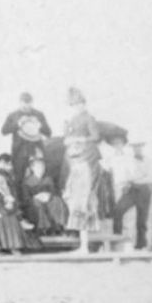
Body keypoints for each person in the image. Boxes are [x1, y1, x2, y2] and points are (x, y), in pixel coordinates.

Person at [60, 88, 102, 250]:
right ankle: (78, 237)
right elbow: (66, 137)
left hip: (86, 156)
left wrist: (80, 139)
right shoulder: (70, 119)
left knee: (83, 199)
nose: (77, 107)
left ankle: (85, 243)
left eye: (79, 104)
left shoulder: (89, 118)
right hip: (74, 159)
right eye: (74, 105)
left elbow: (96, 137)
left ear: (84, 104)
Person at [107, 138, 152, 249]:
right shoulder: (128, 159)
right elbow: (125, 175)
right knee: (117, 211)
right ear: (132, 148)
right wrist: (132, 180)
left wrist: (136, 178)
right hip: (131, 189)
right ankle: (117, 241)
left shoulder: (149, 161)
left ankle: (141, 244)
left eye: (139, 146)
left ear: (142, 147)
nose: (136, 149)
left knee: (141, 220)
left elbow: (150, 178)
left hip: (143, 190)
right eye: (134, 146)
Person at [0, 91, 52, 178]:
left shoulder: (39, 114)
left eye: (28, 103)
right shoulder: (13, 115)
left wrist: (40, 126)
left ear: (32, 103)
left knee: (39, 177)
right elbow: (4, 131)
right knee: (19, 178)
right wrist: (17, 124)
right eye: (23, 103)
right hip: (19, 152)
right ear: (19, 102)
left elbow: (49, 133)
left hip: (36, 151)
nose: (26, 106)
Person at [20, 155, 68, 235]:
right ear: (33, 168)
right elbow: (26, 198)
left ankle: (58, 226)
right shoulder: (27, 182)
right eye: (38, 167)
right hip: (34, 204)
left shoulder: (48, 179)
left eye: (43, 167)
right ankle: (43, 228)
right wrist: (36, 197)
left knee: (57, 200)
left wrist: (49, 195)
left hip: (48, 200)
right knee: (36, 203)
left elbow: (54, 192)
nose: (41, 169)